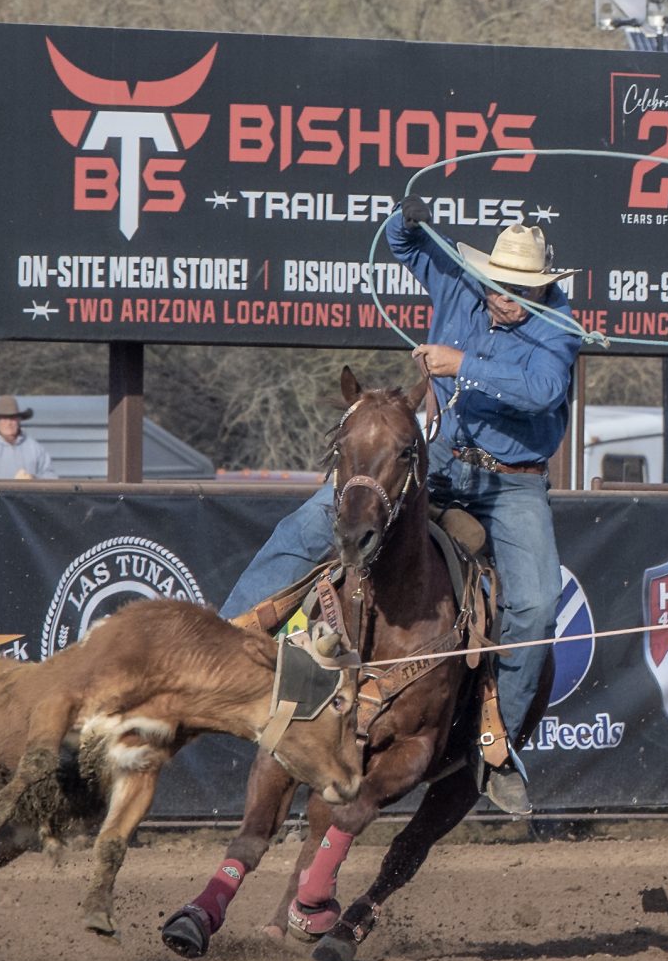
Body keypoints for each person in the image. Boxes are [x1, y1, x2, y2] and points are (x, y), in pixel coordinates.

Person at [219, 219, 581, 805]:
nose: (504, 298)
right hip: (435, 460)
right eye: (498, 284)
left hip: (511, 484)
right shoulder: (461, 285)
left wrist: (461, 363)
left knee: (537, 605)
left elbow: (541, 389)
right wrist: (404, 217)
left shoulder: (560, 328)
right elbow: (404, 243)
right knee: (313, 523)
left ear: (542, 289)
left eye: (521, 289)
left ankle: (495, 745)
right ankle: (223, 640)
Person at [0, 395, 57, 479]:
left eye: (12, 418)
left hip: (28, 498)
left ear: (19, 420)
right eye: (4, 418)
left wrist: (33, 479)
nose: (8, 423)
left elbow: (51, 478)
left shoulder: (36, 449)